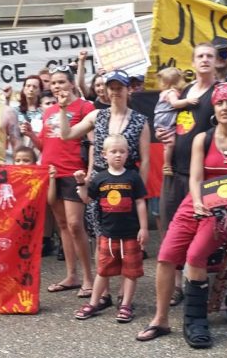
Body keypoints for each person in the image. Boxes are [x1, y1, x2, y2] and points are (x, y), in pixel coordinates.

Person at [137, 83, 227, 346]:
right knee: (166, 256)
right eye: (220, 103)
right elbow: (196, 179)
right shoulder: (203, 138)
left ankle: (196, 322)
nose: (224, 107)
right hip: (197, 204)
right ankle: (160, 319)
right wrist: (197, 202)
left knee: (196, 256)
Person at [160, 39, 227, 306]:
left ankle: (204, 287)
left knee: (207, 237)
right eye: (200, 56)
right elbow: (170, 120)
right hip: (176, 171)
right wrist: (165, 132)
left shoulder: (219, 92)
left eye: (210, 55)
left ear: (215, 61)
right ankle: (176, 285)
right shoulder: (184, 91)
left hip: (207, 179)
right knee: (171, 228)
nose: (205, 60)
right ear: (193, 62)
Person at [55, 69, 151, 239]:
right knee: (101, 236)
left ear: (127, 89)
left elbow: (145, 160)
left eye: (119, 88)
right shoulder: (96, 116)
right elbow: (67, 134)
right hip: (99, 181)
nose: (115, 92)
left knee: (128, 235)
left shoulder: (140, 120)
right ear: (106, 90)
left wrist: (139, 191)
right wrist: (62, 109)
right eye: (111, 88)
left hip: (127, 182)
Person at [32, 65, 96, 296]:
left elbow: (92, 143)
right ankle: (72, 275)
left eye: (61, 82)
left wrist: (89, 173)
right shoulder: (49, 111)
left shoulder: (85, 106)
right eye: (54, 83)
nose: (57, 86)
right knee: (62, 226)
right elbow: (44, 144)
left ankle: (90, 278)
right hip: (50, 171)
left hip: (73, 172)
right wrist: (30, 135)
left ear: (71, 84)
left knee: (76, 224)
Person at [72, 134, 148, 324]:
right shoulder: (100, 179)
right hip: (107, 234)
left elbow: (140, 202)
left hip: (131, 233)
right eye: (113, 151)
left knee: (130, 272)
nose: (117, 155)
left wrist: (144, 228)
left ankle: (126, 305)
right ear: (104, 154)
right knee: (103, 270)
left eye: (122, 151)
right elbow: (87, 199)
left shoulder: (133, 177)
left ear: (127, 154)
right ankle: (94, 302)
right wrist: (81, 183)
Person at [155, 66, 189, 176]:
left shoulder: (169, 92)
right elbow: (175, 104)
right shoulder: (171, 92)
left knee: (169, 143)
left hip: (163, 119)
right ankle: (167, 165)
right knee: (170, 142)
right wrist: (188, 101)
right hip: (165, 119)